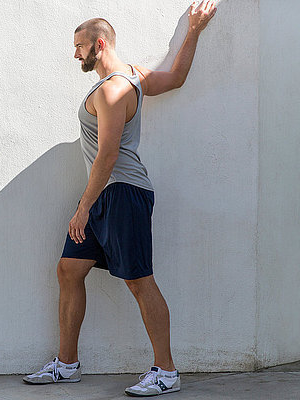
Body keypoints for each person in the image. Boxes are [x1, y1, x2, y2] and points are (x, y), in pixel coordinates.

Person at [22, 1, 217, 396]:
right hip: (105, 193)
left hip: (121, 193)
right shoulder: (135, 78)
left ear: (99, 43)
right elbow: (176, 77)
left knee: (139, 280)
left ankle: (166, 372)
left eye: (79, 45)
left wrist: (83, 207)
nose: (74, 53)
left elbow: (108, 155)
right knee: (69, 269)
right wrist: (193, 31)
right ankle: (66, 364)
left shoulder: (113, 89)